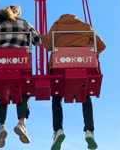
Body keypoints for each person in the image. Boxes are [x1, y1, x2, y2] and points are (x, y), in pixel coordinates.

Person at [0, 5, 42, 148]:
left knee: (3, 95)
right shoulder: (24, 23)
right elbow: (38, 41)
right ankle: (21, 123)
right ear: (18, 14)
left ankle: (1, 127)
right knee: (24, 92)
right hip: (21, 63)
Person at [43, 14, 106, 150]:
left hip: (60, 66)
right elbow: (102, 45)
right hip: (84, 65)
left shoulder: (57, 26)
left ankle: (58, 130)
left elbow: (47, 45)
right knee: (85, 95)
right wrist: (93, 54)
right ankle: (89, 131)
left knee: (56, 97)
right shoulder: (85, 27)